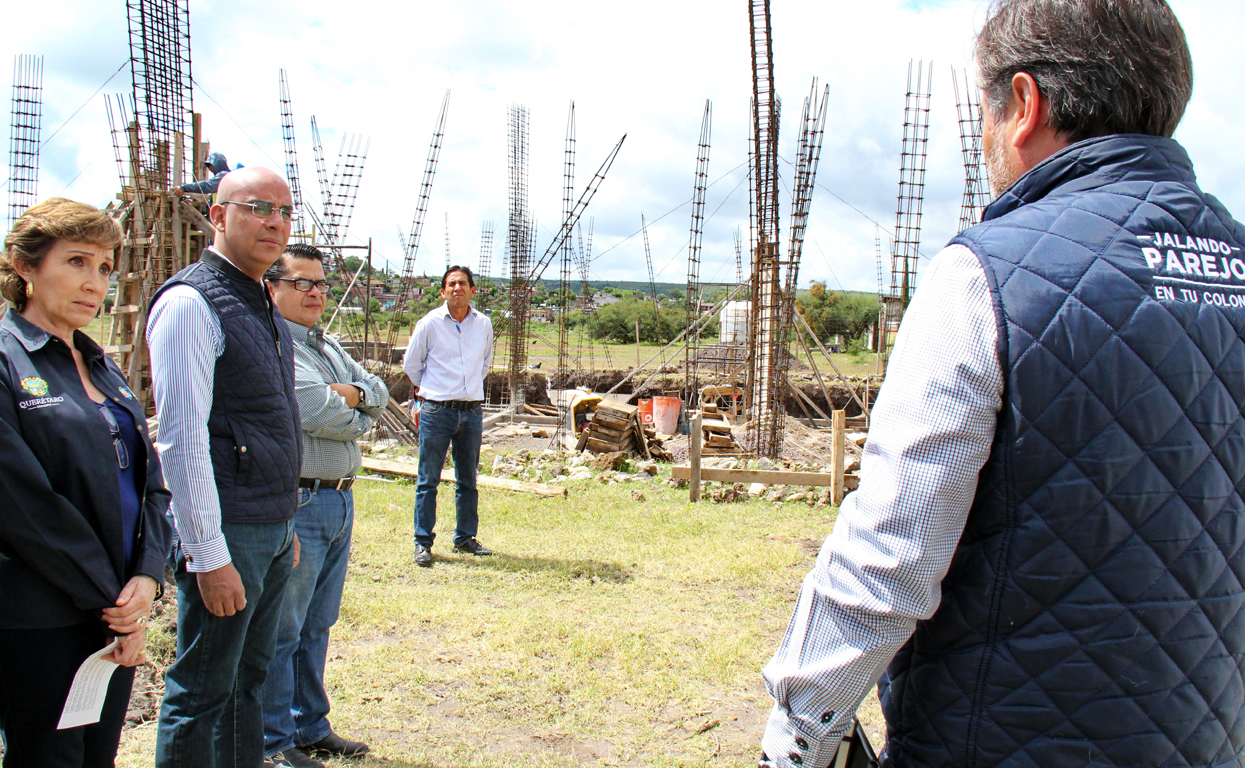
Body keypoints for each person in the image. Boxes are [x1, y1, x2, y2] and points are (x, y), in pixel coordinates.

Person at [760, 2, 1245, 767]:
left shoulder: (989, 274)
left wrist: (802, 725)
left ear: (1023, 105)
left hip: (1001, 737)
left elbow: (893, 547)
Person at [0, 198, 172, 765]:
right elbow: (25, 508)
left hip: (118, 613)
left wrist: (146, 579)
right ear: (25, 267)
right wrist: (113, 602)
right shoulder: (7, 363)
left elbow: (152, 483)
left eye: (103, 267)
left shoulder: (104, 366)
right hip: (42, 618)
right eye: (76, 261)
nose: (94, 282)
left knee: (98, 756)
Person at [149, 166, 303, 768]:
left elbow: (267, 418)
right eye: (259, 207)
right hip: (226, 530)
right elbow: (181, 441)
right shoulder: (193, 302)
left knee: (248, 682)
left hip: (266, 526)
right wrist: (207, 553)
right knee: (202, 690)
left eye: (285, 212)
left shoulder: (258, 298)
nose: (275, 222)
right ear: (218, 215)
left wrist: (281, 525)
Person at [261, 243, 386, 767]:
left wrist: (352, 396)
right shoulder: (273, 343)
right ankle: (273, 740)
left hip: (337, 499)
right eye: (302, 284)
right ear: (272, 287)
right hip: (301, 496)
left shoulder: (326, 344)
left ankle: (309, 724)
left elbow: (379, 389)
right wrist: (358, 407)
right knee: (283, 627)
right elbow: (311, 407)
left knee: (318, 622)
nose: (316, 293)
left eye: (321, 285)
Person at [403, 265, 493, 568]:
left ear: (472, 291)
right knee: (428, 479)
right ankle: (422, 542)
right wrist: (433, 390)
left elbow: (484, 364)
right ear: (443, 291)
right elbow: (412, 366)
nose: (457, 288)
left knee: (468, 479)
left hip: (471, 412)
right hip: (436, 411)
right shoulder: (429, 323)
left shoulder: (483, 325)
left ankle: (465, 537)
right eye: (451, 284)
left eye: (463, 283)